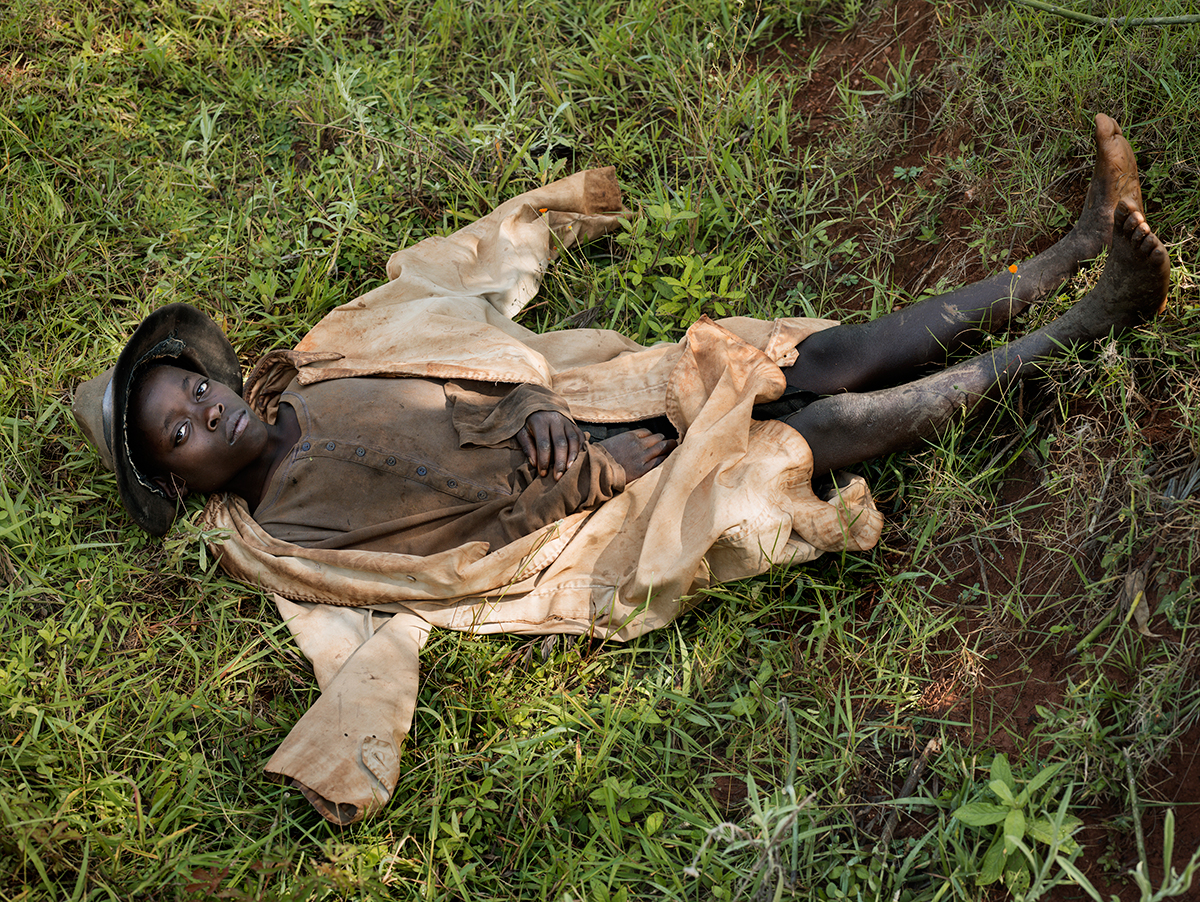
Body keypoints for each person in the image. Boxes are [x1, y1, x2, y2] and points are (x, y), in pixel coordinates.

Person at [73, 115, 1169, 824]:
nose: (205, 409)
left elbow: (450, 323)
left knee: (804, 359)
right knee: (806, 435)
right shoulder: (289, 537)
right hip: (596, 513)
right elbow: (430, 571)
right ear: (183, 484)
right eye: (180, 431)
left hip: (586, 403)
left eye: (192, 388)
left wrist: (542, 402)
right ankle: (1079, 326)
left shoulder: (328, 359)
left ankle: (1067, 258)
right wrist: (589, 473)